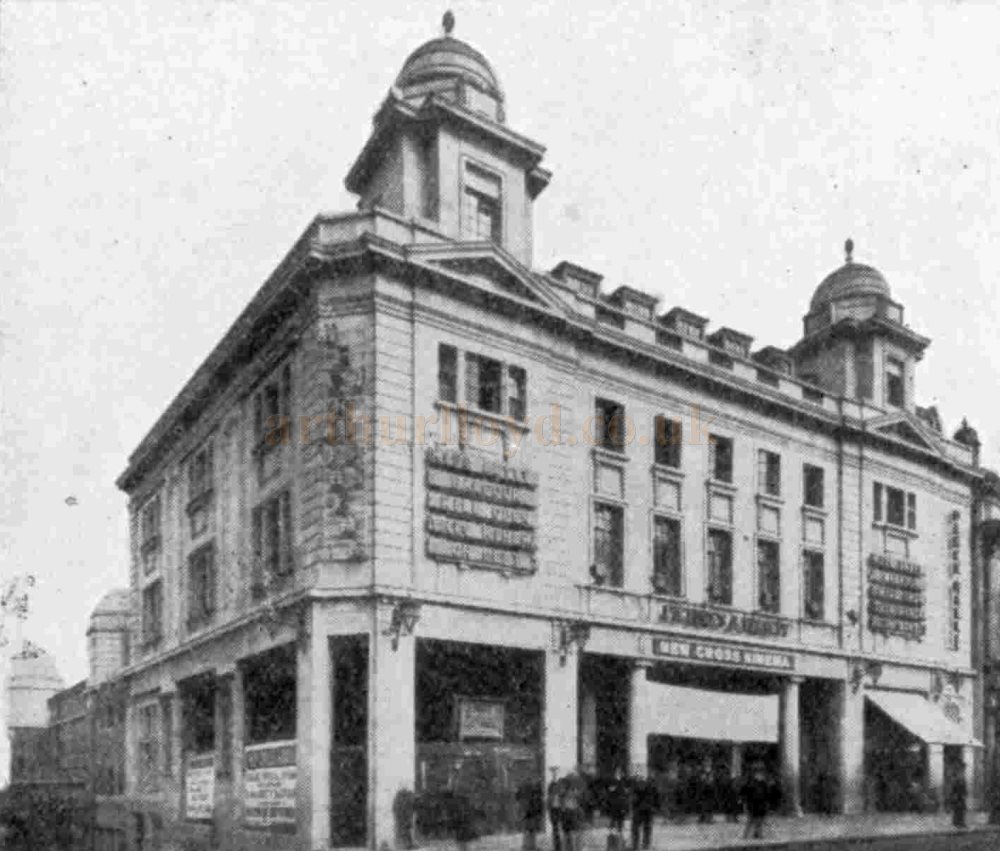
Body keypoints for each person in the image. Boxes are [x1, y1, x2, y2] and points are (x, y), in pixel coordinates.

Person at [741, 764, 772, 840]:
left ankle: (757, 834)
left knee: (759, 820)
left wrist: (767, 804)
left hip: (760, 804)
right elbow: (745, 793)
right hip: (753, 804)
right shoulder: (750, 783)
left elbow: (767, 794)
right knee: (751, 820)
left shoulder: (763, 783)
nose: (760, 775)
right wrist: (745, 803)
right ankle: (747, 835)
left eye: (761, 773)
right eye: (758, 773)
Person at [629, 773, 660, 851]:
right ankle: (645, 845)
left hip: (640, 810)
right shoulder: (653, 787)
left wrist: (633, 807)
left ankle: (636, 846)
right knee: (646, 829)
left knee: (637, 828)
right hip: (648, 810)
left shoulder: (637, 787)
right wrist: (656, 807)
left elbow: (634, 799)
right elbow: (657, 799)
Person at [517, 779, 544, 851]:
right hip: (530, 814)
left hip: (529, 814)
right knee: (530, 831)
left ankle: (528, 846)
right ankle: (529, 846)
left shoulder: (531, 795)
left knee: (529, 831)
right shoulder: (533, 795)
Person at [561, 773, 583, 851]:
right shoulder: (568, 792)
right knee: (569, 835)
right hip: (568, 814)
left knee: (571, 835)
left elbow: (577, 802)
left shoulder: (573, 792)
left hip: (571, 813)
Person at [606, 767, 630, 839]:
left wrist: (625, 791)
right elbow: (610, 790)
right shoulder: (612, 781)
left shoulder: (623, 781)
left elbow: (626, 791)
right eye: (617, 772)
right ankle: (612, 834)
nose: (619, 774)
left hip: (622, 803)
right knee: (613, 818)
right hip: (614, 803)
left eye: (620, 772)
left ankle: (620, 833)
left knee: (621, 819)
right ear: (615, 773)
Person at [547, 773, 564, 851]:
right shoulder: (551, 798)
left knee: (558, 829)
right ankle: (557, 846)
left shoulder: (560, 796)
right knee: (555, 830)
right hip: (554, 811)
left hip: (558, 811)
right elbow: (548, 807)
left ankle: (559, 846)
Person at [696, 758, 716, 823]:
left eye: (709, 762)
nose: (707, 763)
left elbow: (712, 780)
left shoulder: (712, 771)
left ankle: (709, 817)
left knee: (710, 804)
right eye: (706, 762)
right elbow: (701, 779)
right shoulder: (701, 771)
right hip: (703, 789)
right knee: (703, 804)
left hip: (710, 789)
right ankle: (703, 817)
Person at [950, 761, 968, 829]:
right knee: (958, 809)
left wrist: (965, 793)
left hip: (960, 795)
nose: (964, 769)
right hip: (958, 796)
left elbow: (963, 786)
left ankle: (960, 822)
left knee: (961, 809)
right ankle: (958, 823)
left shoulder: (961, 776)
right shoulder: (957, 776)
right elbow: (954, 787)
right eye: (963, 768)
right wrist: (955, 795)